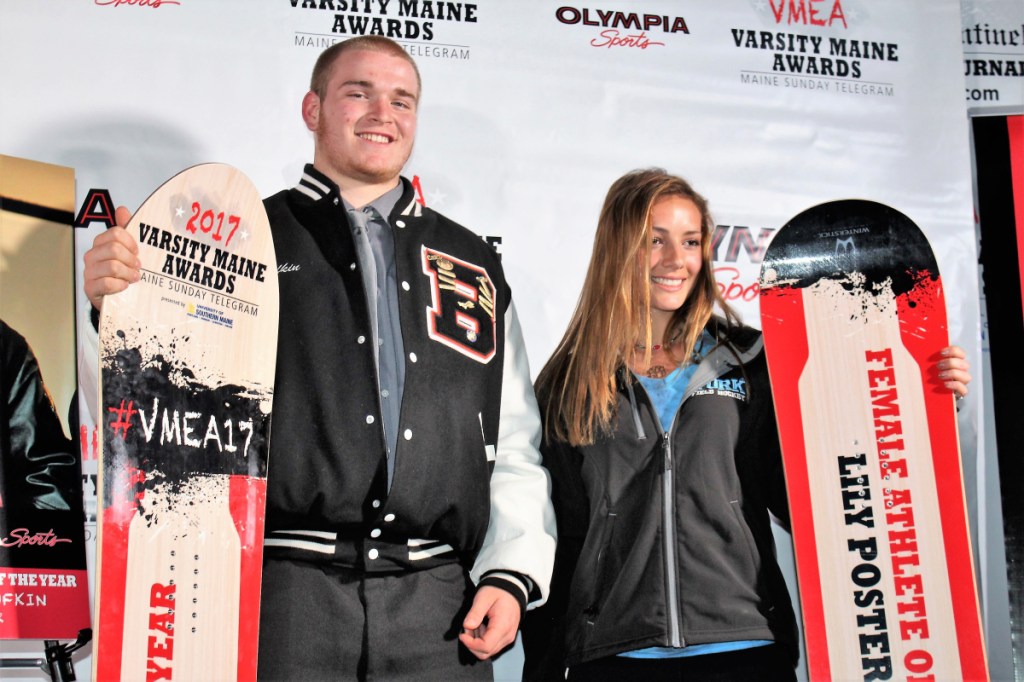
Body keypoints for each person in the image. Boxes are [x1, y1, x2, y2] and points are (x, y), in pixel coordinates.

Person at [82, 36, 556, 681]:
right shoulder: (241, 239)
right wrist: (118, 305)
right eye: (357, 92)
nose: (381, 113)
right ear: (313, 109)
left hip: (440, 608)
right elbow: (167, 395)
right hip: (283, 597)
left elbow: (513, 439)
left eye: (401, 100)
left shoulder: (472, 261)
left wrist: (512, 572)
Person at [520, 169, 972, 681]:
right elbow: (556, 536)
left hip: (744, 644)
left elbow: (826, 488)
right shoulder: (569, 380)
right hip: (616, 654)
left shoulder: (754, 360)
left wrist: (923, 405)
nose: (676, 260)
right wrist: (540, 667)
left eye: (690, 241)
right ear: (618, 249)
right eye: (655, 241)